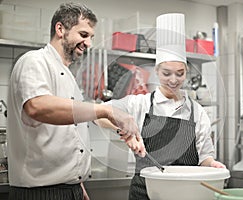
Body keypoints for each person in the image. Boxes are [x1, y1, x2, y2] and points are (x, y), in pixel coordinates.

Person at [6, 2, 142, 200]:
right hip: (40, 192)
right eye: (84, 35)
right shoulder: (34, 61)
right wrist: (107, 111)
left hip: (70, 188)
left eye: (91, 37)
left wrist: (121, 126)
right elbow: (38, 107)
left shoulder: (69, 75)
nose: (88, 43)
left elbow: (78, 119)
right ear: (60, 29)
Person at [97, 13, 225, 200]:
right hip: (144, 192)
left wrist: (212, 165)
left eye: (180, 74)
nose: (173, 80)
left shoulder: (197, 112)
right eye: (166, 73)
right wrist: (124, 128)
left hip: (185, 194)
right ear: (156, 71)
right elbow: (97, 115)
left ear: (186, 73)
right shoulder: (139, 103)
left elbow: (205, 157)